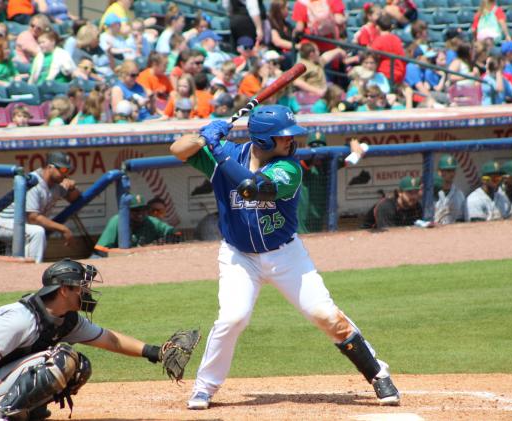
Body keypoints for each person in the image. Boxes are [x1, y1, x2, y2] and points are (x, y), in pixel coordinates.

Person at [169, 105, 400, 410]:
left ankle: (378, 373)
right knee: (232, 317)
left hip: (286, 255)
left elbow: (253, 188)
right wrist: (204, 135)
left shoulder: (289, 168)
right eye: (283, 137)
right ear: (263, 140)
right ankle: (204, 387)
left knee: (324, 314)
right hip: (239, 256)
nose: (291, 142)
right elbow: (177, 149)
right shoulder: (228, 153)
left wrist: (215, 147)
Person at [0, 258, 173, 421]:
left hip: (0, 382)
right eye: (81, 287)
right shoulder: (22, 317)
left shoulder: (67, 320)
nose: (87, 292)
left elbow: (109, 339)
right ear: (63, 290)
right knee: (60, 358)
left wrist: (156, 352)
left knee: (80, 366)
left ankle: (25, 412)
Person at [0, 151, 80, 263]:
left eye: (68, 170)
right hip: (4, 223)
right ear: (50, 167)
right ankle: (33, 272)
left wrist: (72, 187)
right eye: (63, 170)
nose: (65, 174)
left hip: (22, 225)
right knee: (37, 232)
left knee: (15, 258)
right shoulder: (34, 181)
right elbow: (33, 218)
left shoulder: (55, 185)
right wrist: (64, 229)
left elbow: (74, 198)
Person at [297, 132, 368, 233]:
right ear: (306, 147)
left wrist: (352, 142)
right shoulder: (300, 166)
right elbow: (307, 161)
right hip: (300, 227)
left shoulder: (328, 165)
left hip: (318, 223)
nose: (318, 154)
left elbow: (361, 149)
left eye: (321, 149)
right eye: (314, 148)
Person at [92, 193, 175, 257]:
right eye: (135, 210)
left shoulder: (151, 221)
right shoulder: (117, 220)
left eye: (143, 209)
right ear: (127, 211)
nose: (140, 213)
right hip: (103, 258)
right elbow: (100, 250)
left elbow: (172, 231)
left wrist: (168, 238)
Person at [434, 154, 466, 224]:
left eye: (453, 170)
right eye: (448, 170)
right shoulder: (431, 193)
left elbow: (461, 220)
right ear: (439, 172)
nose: (451, 174)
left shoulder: (459, 194)